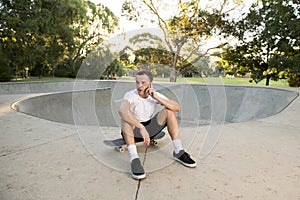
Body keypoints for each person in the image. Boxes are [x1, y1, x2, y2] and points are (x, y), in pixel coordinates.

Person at [118, 70, 196, 180]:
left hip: (149, 128)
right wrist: (141, 127)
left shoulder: (154, 95)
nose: (139, 86)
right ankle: (134, 159)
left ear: (150, 84)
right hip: (133, 129)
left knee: (169, 110)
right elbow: (122, 111)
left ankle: (178, 151)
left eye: (143, 83)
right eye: (137, 82)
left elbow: (177, 107)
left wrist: (156, 97)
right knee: (125, 116)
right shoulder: (130, 94)